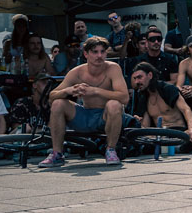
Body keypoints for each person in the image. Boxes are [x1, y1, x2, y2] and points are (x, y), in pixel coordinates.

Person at [39, 36, 132, 167]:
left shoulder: (113, 68)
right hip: (84, 116)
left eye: (102, 52)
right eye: (95, 52)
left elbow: (124, 98)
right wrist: (69, 91)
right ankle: (57, 153)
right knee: (58, 103)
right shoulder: (76, 72)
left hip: (104, 117)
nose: (99, 56)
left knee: (114, 104)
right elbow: (51, 97)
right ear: (86, 54)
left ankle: (111, 150)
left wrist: (95, 91)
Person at [130, 61, 192, 149]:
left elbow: (186, 109)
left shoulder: (167, 88)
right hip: (161, 135)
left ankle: (180, 144)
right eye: (135, 78)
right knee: (138, 134)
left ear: (150, 75)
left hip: (180, 132)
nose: (137, 82)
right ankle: (173, 146)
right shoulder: (143, 97)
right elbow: (146, 126)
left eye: (139, 77)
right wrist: (138, 124)